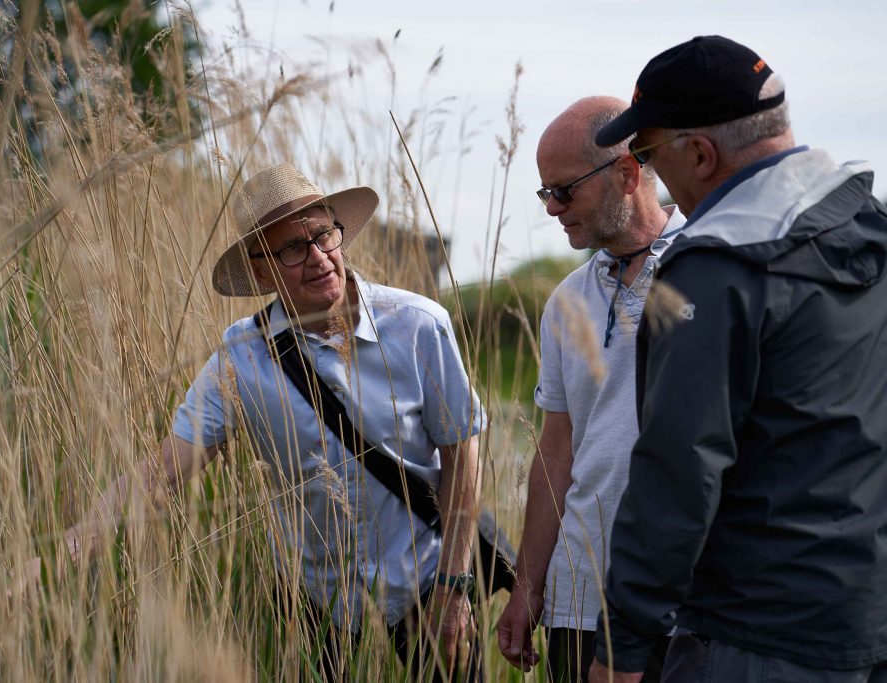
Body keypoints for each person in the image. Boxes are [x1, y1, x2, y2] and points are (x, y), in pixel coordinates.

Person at [55, 163, 486, 681]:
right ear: (261, 272)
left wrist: (456, 585)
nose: (320, 258)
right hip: (319, 606)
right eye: (291, 249)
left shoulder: (418, 326)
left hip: (427, 587)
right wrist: (82, 537)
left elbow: (462, 453)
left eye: (324, 235)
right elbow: (166, 466)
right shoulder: (243, 356)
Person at [586, 35, 887, 683]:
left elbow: (678, 467)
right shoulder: (872, 227)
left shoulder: (712, 266)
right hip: (866, 619)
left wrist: (625, 643)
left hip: (755, 637)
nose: (643, 170)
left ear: (699, 153)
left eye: (644, 151)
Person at [496, 96, 685, 683]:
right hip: (580, 601)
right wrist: (529, 587)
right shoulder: (566, 301)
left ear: (627, 174)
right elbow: (556, 452)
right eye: (543, 193)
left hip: (687, 603)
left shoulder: (709, 268)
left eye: (564, 190)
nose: (552, 208)